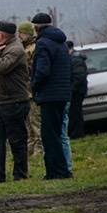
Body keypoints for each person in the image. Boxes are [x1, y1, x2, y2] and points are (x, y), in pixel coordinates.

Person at [0, 21, 30, 183]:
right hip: (3, 102)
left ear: (1, 35)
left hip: (14, 102)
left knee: (17, 140)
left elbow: (2, 68)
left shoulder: (15, 49)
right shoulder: (7, 47)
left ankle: (20, 174)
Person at [29, 13, 72, 180]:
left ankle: (55, 171)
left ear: (36, 28)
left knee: (49, 135)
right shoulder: (60, 42)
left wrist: (35, 86)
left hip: (50, 95)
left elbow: (42, 70)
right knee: (60, 133)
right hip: (63, 94)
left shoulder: (43, 43)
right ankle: (64, 169)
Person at [17, 21, 42, 158]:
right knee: (28, 123)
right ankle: (31, 147)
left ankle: (39, 148)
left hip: (32, 91)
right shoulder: (23, 47)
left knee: (36, 122)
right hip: (25, 92)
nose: (19, 35)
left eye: (22, 33)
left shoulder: (33, 48)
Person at [67, 40, 88, 140]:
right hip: (77, 89)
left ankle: (77, 134)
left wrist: (71, 89)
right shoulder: (75, 59)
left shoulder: (75, 59)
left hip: (77, 91)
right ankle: (75, 133)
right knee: (74, 112)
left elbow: (79, 77)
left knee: (75, 113)